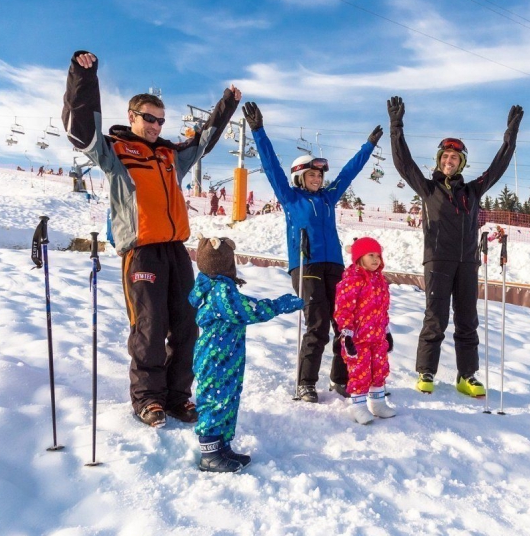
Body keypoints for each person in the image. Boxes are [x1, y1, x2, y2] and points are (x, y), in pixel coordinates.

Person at [62, 50, 241, 427]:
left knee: (186, 325)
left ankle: (178, 398)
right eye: (149, 118)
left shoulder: (169, 155)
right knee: (150, 326)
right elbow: (80, 130)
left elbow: (204, 141)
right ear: (132, 117)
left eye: (160, 120)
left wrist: (226, 105)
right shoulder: (115, 151)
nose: (156, 125)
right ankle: (148, 400)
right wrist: (83, 77)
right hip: (141, 252)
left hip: (176, 250)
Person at [242, 100, 379, 403]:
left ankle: (340, 379)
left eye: (319, 175)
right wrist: (258, 130)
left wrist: (368, 147)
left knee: (346, 324)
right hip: (307, 267)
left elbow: (349, 173)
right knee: (317, 323)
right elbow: (270, 165)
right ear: (299, 177)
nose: (317, 179)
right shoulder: (290, 198)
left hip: (335, 267)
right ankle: (306, 382)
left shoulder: (329, 199)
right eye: (311, 175)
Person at [387, 95, 523, 396]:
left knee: (467, 320)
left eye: (454, 158)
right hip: (438, 260)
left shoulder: (473, 191)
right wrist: (396, 126)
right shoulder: (428, 188)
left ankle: (467, 376)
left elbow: (498, 167)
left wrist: (510, 137)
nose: (449, 162)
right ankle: (426, 372)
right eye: (445, 157)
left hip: (467, 262)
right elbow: (403, 164)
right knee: (435, 318)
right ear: (439, 161)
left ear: (461, 163)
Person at [189, 235, 303, 472]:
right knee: (216, 402)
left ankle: (221, 447)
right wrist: (282, 304)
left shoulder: (216, 286)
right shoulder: (221, 291)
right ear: (226, 264)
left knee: (227, 400)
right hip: (216, 359)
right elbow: (249, 310)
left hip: (225, 357)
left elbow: (242, 305)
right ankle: (210, 454)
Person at [334, 237, 396, 424]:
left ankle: (377, 403)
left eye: (378, 255)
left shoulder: (380, 281)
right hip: (358, 337)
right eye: (371, 255)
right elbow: (343, 309)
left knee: (379, 368)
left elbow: (383, 308)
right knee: (360, 371)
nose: (376, 259)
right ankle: (358, 407)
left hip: (377, 336)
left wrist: (386, 330)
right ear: (359, 257)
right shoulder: (352, 281)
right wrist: (346, 334)